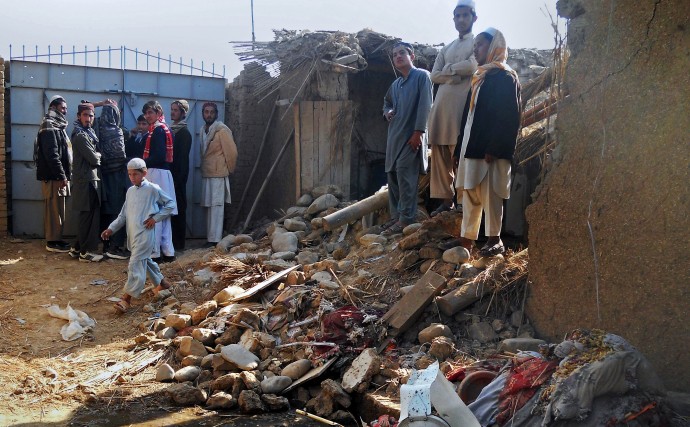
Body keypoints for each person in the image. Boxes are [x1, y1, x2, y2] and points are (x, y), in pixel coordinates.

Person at [453, 28, 521, 256]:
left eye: (480, 45)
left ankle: (495, 239)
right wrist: (459, 148)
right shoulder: (480, 77)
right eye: (475, 46)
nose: (476, 50)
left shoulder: (505, 77)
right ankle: (466, 240)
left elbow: (509, 116)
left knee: (491, 194)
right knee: (471, 192)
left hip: (491, 149)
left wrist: (495, 147)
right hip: (472, 146)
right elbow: (467, 117)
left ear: (493, 47)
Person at [101, 158, 175, 313]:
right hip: (133, 235)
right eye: (129, 174)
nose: (132, 177)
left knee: (135, 265)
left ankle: (126, 299)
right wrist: (111, 229)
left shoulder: (153, 189)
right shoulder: (130, 191)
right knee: (145, 261)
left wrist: (155, 218)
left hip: (145, 235)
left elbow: (170, 204)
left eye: (135, 174)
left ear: (144, 173)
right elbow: (123, 215)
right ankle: (163, 284)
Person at [427, 0, 478, 217]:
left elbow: (473, 65)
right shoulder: (447, 48)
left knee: (459, 154)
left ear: (473, 18)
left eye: (465, 15)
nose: (461, 20)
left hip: (460, 109)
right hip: (440, 109)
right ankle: (445, 201)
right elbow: (434, 74)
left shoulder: (478, 42)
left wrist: (450, 70)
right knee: (439, 156)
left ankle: (461, 202)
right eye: (457, 16)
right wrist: (455, 74)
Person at [381, 42, 433, 236]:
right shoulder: (396, 85)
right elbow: (386, 102)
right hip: (394, 138)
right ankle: (395, 217)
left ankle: (406, 220)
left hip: (411, 137)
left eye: (402, 53)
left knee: (405, 176)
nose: (398, 57)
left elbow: (426, 105)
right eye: (394, 55)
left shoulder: (421, 76)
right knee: (393, 175)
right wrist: (387, 112)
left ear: (412, 56)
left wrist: (419, 132)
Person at [141, 100, 177, 262]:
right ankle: (168, 251)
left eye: (150, 112)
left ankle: (155, 253)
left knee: (155, 212)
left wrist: (140, 163)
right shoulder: (165, 128)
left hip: (156, 173)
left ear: (158, 113)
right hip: (164, 174)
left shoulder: (157, 131)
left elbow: (157, 156)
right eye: (146, 113)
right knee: (164, 213)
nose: (148, 116)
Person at [35, 95, 71, 253]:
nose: (65, 111)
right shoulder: (49, 124)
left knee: (58, 210)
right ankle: (52, 241)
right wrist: (61, 175)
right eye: (63, 108)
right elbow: (52, 154)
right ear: (54, 107)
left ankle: (57, 238)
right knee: (53, 209)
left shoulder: (58, 125)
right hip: (53, 176)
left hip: (57, 175)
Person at [95, 100, 130, 260]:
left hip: (103, 176)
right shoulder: (116, 132)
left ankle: (105, 244)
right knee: (118, 210)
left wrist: (99, 103)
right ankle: (115, 247)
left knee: (106, 210)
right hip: (117, 178)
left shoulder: (98, 130)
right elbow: (121, 157)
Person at [199, 102, 238, 246]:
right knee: (209, 206)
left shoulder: (222, 130)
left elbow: (232, 152)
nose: (208, 115)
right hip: (207, 173)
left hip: (218, 173)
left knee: (217, 206)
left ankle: (215, 239)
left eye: (211, 112)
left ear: (216, 114)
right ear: (203, 114)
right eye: (206, 112)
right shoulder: (203, 130)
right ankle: (210, 238)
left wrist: (228, 169)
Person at [70, 102, 104, 262]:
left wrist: (96, 154)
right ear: (78, 116)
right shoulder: (81, 136)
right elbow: (94, 159)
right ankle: (85, 252)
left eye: (91, 115)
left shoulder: (88, 133)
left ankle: (76, 248)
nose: (88, 118)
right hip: (86, 181)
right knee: (88, 217)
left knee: (87, 216)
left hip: (88, 180)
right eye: (85, 115)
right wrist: (98, 155)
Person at [169, 99, 192, 251]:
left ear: (183, 113)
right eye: (172, 109)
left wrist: (178, 180)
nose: (172, 112)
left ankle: (179, 245)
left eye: (176, 110)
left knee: (179, 210)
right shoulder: (171, 130)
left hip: (178, 178)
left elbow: (182, 160)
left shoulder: (184, 133)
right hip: (171, 177)